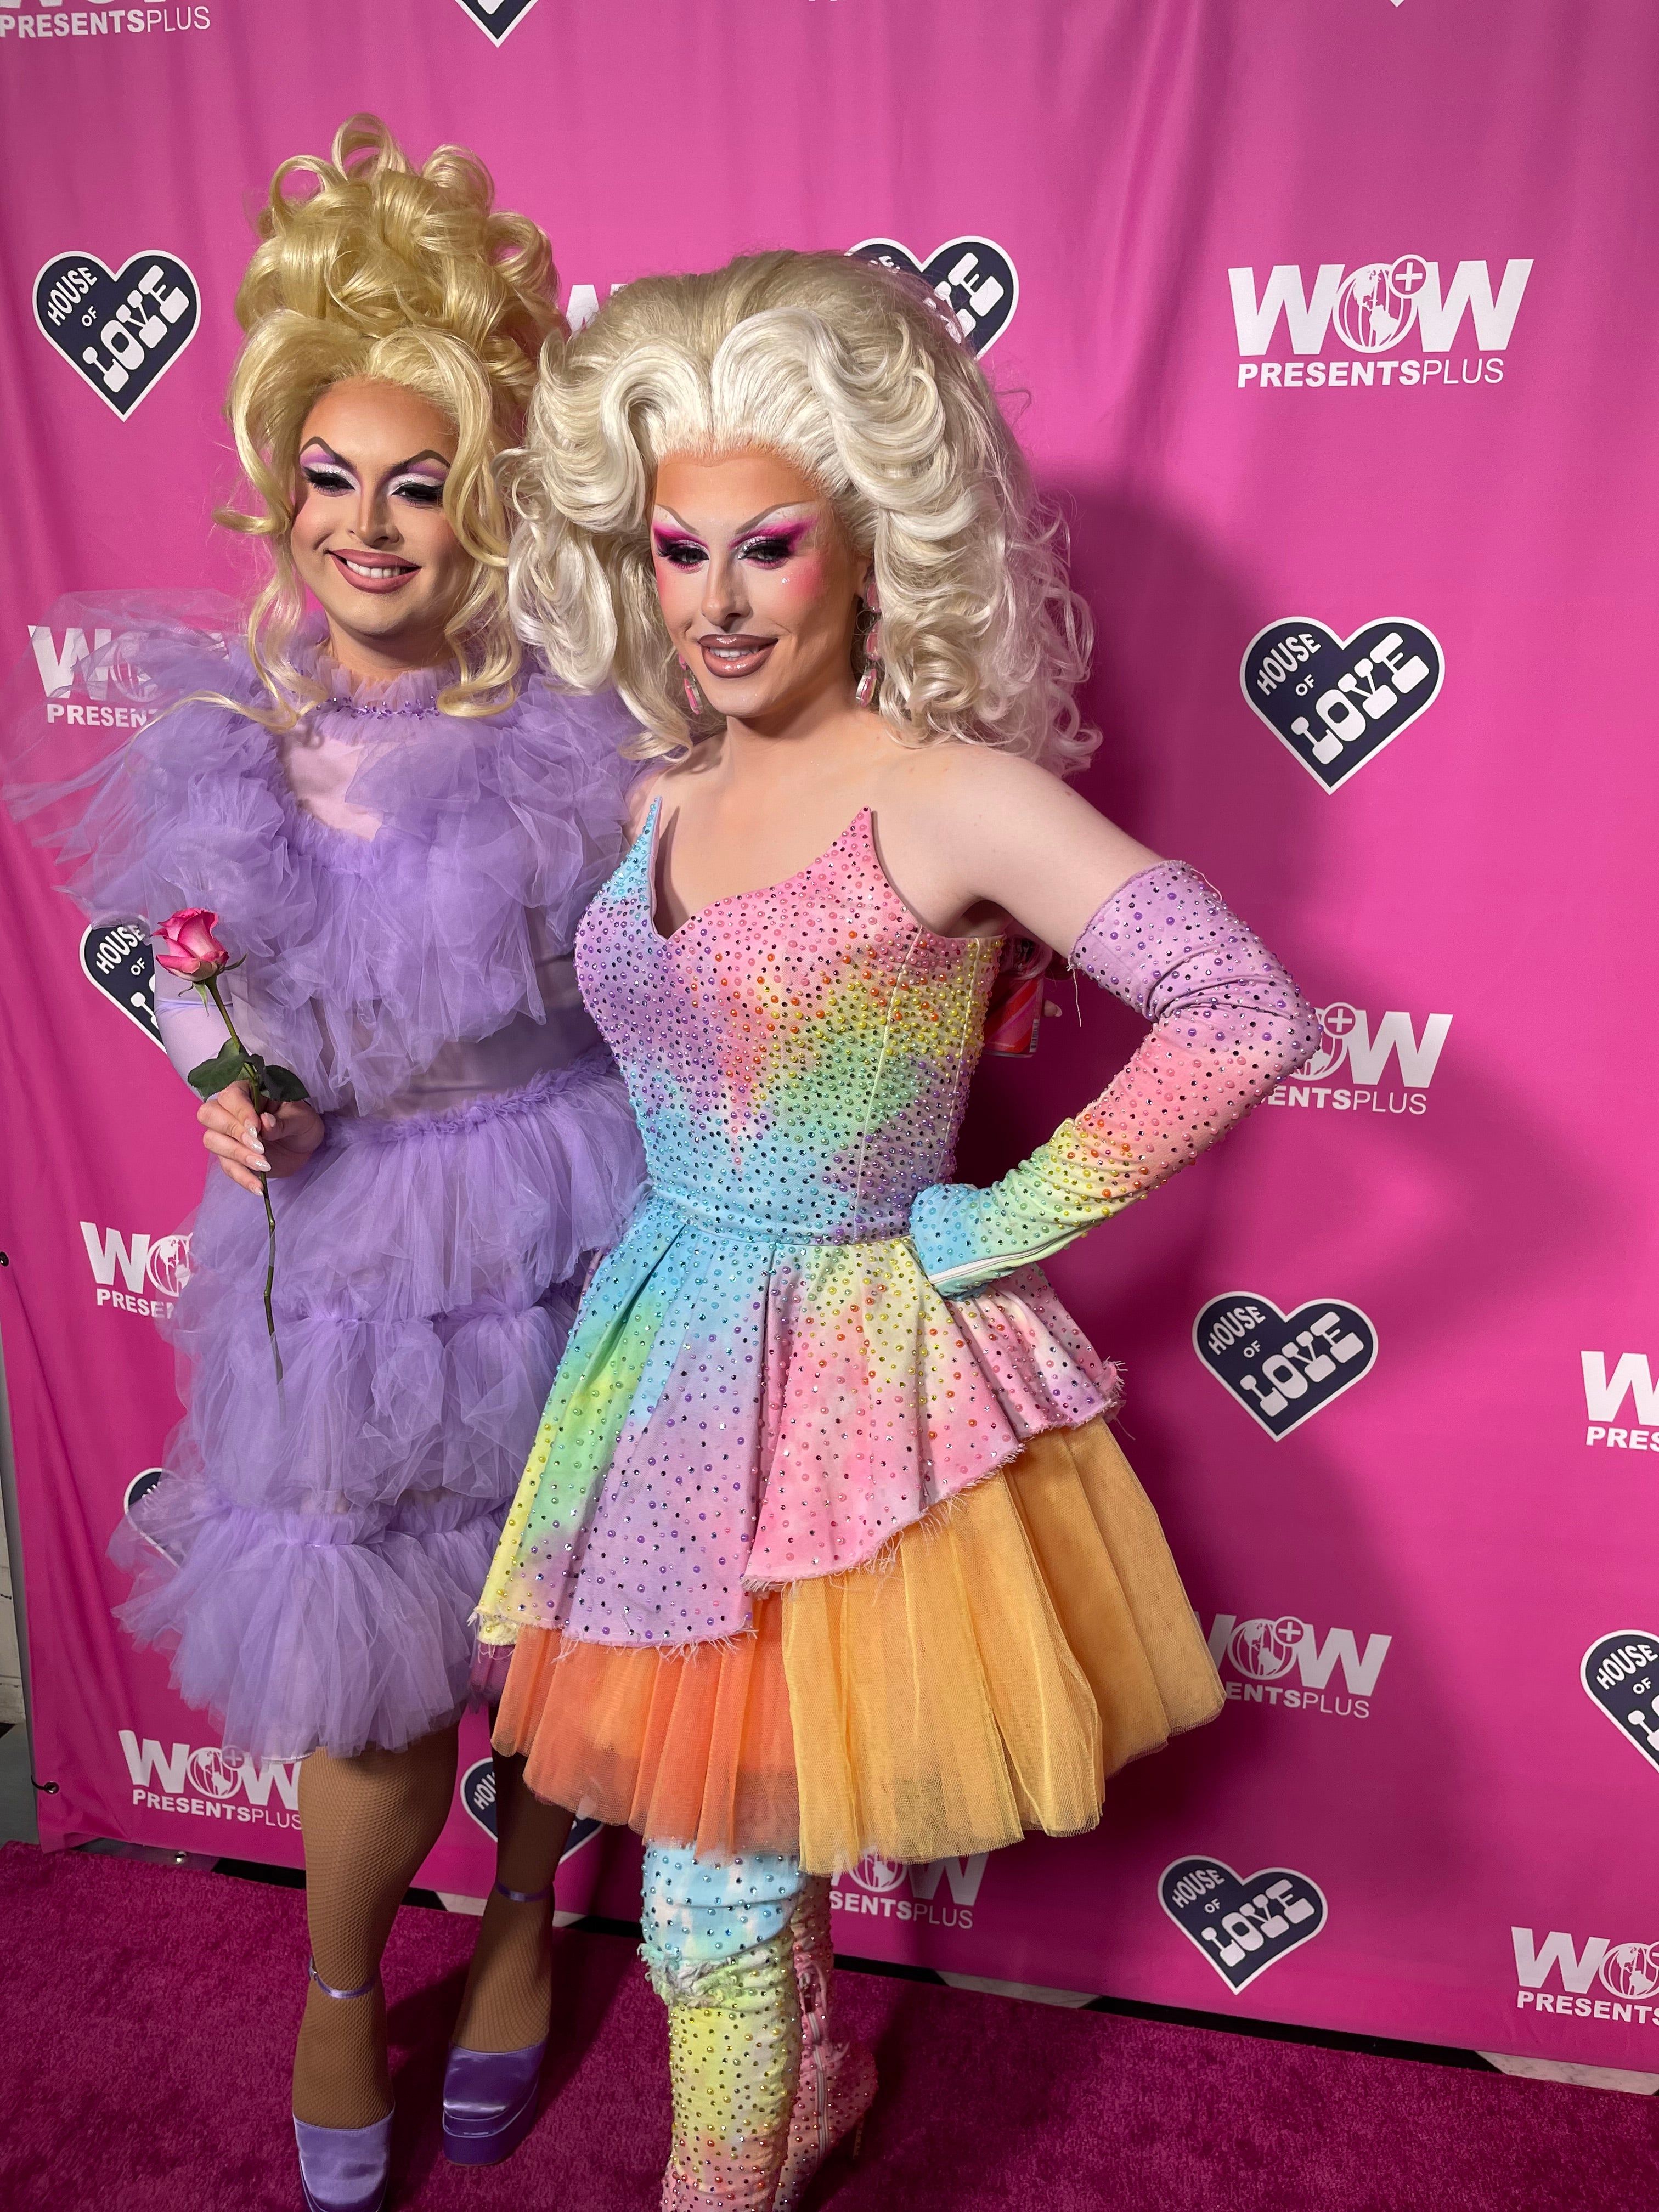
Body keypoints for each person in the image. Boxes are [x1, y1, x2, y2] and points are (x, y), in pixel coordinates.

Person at [472, 249, 1320, 2210]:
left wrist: (999, 1222)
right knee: (734, 1824)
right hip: (670, 1356)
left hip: (854, 1393)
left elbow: (1243, 1009)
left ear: (867, 536)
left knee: (707, 1884)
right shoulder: (658, 784)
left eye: (766, 545)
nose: (717, 599)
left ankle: (727, 2176)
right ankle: (809, 2090)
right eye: (678, 553)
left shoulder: (950, 797)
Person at [7, 120, 643, 2212]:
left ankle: (530, 1925)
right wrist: (226, 1090)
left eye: (422, 480)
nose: (370, 524)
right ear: (284, 493)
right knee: (375, 1668)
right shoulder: (225, 738)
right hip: (347, 1240)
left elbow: (656, 966)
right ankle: (345, 1989)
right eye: (335, 480)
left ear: (485, 505)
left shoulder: (575, 727)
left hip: (563, 1202)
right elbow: (201, 983)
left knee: (555, 1635)